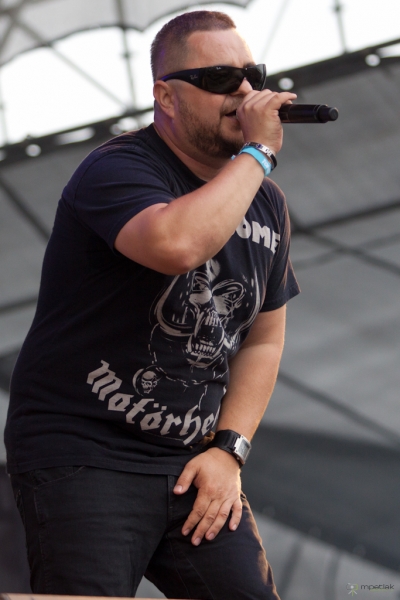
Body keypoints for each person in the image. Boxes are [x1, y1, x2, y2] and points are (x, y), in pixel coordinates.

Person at [5, 10, 300, 600]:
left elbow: (264, 339)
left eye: (253, 75)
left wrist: (229, 451)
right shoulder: (118, 168)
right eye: (220, 78)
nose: (245, 92)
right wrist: (260, 152)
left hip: (194, 460)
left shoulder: (266, 203)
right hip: (86, 451)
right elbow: (176, 244)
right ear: (166, 96)